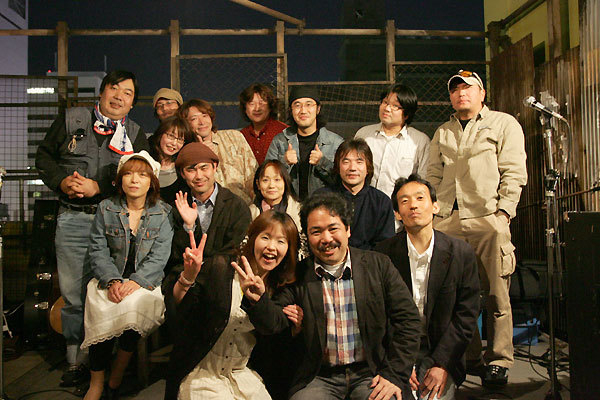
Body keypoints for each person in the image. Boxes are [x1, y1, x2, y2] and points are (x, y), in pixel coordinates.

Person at [242, 191, 422, 400]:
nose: (326, 238)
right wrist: (258, 300)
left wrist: (394, 374)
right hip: (318, 377)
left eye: (333, 228)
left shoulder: (378, 265)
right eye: (316, 232)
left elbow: (408, 320)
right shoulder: (298, 274)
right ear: (307, 237)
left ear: (347, 229)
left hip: (370, 372)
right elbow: (274, 321)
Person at [35, 70, 149, 387]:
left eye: (127, 93)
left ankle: (105, 361)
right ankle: (76, 361)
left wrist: (99, 186)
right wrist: (61, 181)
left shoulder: (135, 134)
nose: (119, 96)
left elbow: (141, 176)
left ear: (132, 104)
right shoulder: (72, 120)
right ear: (102, 92)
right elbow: (44, 157)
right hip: (72, 217)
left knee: (110, 291)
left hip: (115, 222)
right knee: (73, 295)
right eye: (114, 88)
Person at [427, 70, 527, 387]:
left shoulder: (503, 124)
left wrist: (503, 214)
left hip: (487, 218)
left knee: (496, 294)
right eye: (455, 89)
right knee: (455, 295)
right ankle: (467, 358)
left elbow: (514, 171)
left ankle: (498, 360)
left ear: (482, 93)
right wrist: (434, 215)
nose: (461, 93)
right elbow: (432, 175)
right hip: (448, 220)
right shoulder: (443, 131)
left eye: (468, 87)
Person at [163, 210, 303, 399]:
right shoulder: (220, 267)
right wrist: (188, 277)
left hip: (241, 374)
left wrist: (259, 300)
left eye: (281, 241)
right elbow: (179, 313)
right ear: (252, 238)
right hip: (200, 372)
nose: (271, 247)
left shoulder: (280, 287)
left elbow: (272, 326)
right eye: (265, 237)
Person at [375, 174, 480, 400]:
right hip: (398, 349)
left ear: (435, 206)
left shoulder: (461, 253)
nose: (413, 205)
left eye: (420, 198)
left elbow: (466, 315)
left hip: (442, 350)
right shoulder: (383, 254)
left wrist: (442, 364)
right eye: (404, 201)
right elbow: (379, 316)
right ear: (397, 214)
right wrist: (398, 363)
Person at [80, 151, 173, 400]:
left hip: (145, 281)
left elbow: (160, 256)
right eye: (128, 174)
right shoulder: (106, 208)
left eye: (142, 175)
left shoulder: (163, 212)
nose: (134, 180)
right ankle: (96, 382)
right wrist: (112, 280)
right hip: (108, 278)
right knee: (102, 307)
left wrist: (136, 281)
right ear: (120, 180)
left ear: (152, 181)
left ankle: (117, 375)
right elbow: (98, 250)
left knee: (135, 306)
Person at [168, 142, 251, 271]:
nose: (199, 176)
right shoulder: (175, 208)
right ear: (182, 174)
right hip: (185, 275)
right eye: (191, 170)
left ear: (215, 167)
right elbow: (174, 256)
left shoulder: (236, 206)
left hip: (222, 275)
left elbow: (233, 253)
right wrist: (189, 226)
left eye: (204, 168)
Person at [265, 86, 344, 201]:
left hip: (323, 206)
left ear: (318, 109)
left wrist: (322, 162)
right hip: (288, 206)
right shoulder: (280, 141)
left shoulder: (335, 143)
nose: (303, 110)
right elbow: (266, 178)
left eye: (309, 104)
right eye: (297, 105)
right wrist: (284, 162)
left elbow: (342, 182)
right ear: (291, 110)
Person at [355, 84, 430, 199]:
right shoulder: (364, 135)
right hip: (366, 202)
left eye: (395, 106)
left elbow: (423, 179)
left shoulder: (419, 141)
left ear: (407, 114)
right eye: (385, 102)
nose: (387, 109)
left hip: (399, 205)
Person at [317, 138, 395, 250]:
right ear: (338, 167)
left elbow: (385, 245)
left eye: (359, 162)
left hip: (370, 259)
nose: (352, 168)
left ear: (368, 168)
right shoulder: (321, 198)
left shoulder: (381, 201)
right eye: (346, 162)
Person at [180, 98, 258, 204]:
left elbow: (253, 174)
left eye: (205, 116)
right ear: (186, 124)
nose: (202, 122)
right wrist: (201, 153)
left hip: (245, 205)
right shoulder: (187, 152)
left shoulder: (234, 137)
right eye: (194, 119)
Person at [148, 116, 194, 203]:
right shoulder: (145, 160)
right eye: (171, 136)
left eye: (180, 140)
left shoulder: (182, 167)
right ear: (160, 134)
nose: (174, 143)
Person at [239, 83, 288, 165]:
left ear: (270, 106)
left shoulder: (284, 132)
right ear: (245, 108)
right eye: (251, 104)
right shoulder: (241, 136)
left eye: (261, 103)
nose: (257, 108)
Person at [250, 159, 301, 232]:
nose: (271, 185)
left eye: (277, 180)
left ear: (285, 182)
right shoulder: (251, 213)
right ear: (258, 184)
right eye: (265, 180)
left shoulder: (298, 211)